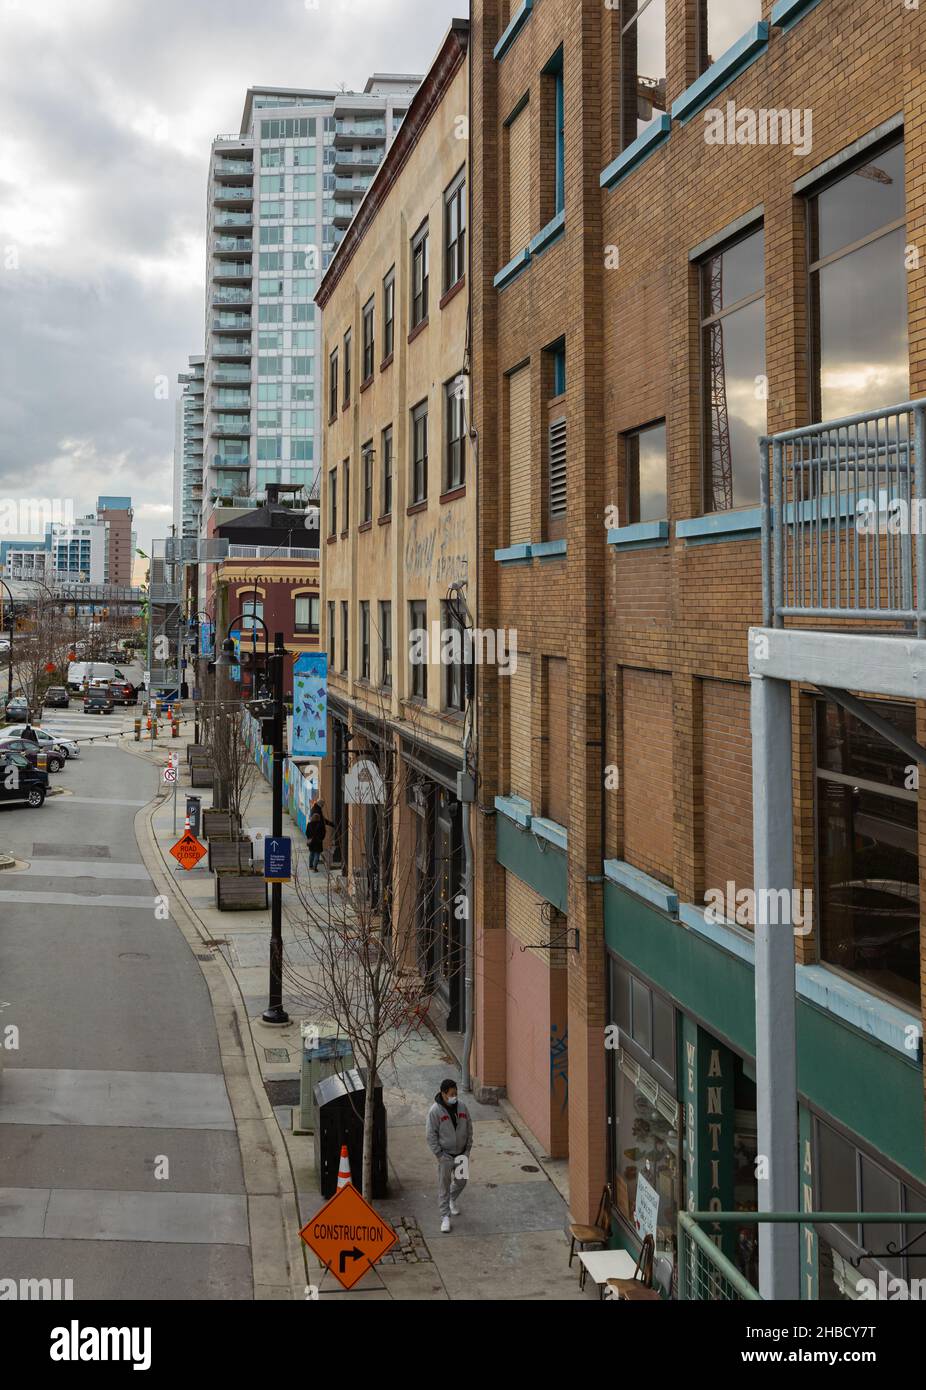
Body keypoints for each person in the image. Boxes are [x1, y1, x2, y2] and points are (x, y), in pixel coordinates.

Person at [425, 1078, 473, 1233]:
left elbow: (469, 1127)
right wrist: (438, 1154)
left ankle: (452, 1199)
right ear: (443, 1094)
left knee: (461, 1181)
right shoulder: (435, 1111)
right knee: (443, 1187)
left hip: (461, 1155)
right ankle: (445, 1217)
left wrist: (467, 1149)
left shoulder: (462, 1107)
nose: (454, 1097)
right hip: (446, 1156)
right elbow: (430, 1134)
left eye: (456, 1093)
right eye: (451, 1094)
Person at [306, 801, 332, 871]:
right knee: (317, 854)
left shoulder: (309, 825)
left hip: (311, 841)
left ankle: (310, 865)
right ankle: (315, 867)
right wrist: (321, 838)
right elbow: (323, 833)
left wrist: (309, 838)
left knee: (311, 853)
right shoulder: (320, 825)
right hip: (318, 841)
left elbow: (307, 833)